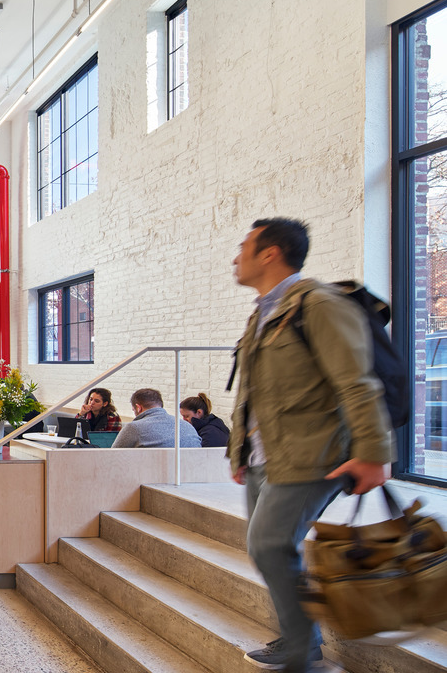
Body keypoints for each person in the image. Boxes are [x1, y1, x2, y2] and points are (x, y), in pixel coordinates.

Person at [229, 218, 393, 673]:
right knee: (271, 547)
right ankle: (300, 640)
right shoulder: (264, 312)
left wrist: (375, 453)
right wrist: (239, 451)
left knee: (269, 545)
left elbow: (356, 382)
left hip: (311, 454)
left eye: (244, 247)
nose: (235, 256)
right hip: (267, 456)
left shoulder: (319, 304)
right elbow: (253, 393)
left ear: (270, 253)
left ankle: (301, 652)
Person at [110, 389, 200, 449]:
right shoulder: (187, 426)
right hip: (191, 476)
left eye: (133, 410)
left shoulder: (134, 428)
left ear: (138, 408)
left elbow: (112, 457)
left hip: (151, 476)